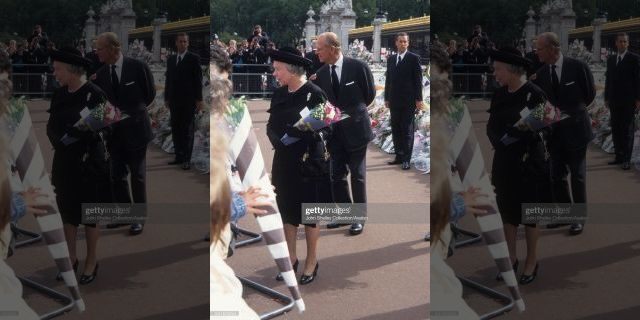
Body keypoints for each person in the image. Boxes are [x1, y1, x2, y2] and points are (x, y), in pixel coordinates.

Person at [46, 46, 112, 285]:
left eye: (57, 70)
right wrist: (59, 139)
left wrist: (81, 134)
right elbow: (51, 124)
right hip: (64, 161)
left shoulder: (95, 94)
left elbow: (108, 124)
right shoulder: (59, 94)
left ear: (72, 70)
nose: (55, 74)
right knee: (68, 213)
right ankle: (71, 258)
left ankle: (91, 260)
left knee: (90, 215)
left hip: (89, 162)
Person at [487, 46, 552, 284]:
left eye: (498, 70)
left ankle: (531, 260)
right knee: (508, 212)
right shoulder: (499, 94)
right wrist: (500, 140)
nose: (495, 74)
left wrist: (519, 134)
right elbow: (491, 125)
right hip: (505, 160)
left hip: (528, 161)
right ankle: (511, 258)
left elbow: (546, 124)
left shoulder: (535, 94)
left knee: (529, 213)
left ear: (512, 70)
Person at [266, 47, 331, 284]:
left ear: (291, 70)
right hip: (284, 161)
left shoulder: (315, 94)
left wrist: (304, 133)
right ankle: (290, 259)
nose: (274, 74)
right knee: (287, 212)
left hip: (308, 162)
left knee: (310, 214)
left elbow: (328, 126)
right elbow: (271, 124)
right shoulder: (279, 94)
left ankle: (311, 261)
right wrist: (277, 140)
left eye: (278, 69)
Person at [312, 32, 375, 236]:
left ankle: (359, 218)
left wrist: (352, 114)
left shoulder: (358, 67)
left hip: (357, 130)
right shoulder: (320, 74)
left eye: (320, 48)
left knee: (357, 175)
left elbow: (369, 95)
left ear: (332, 48)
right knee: (336, 175)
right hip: (335, 133)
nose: (316, 51)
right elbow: (323, 105)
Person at [532, 32, 595, 235]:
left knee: (577, 175)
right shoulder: (541, 74)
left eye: (540, 48)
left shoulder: (578, 67)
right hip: (555, 133)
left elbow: (589, 94)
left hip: (577, 130)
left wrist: (573, 112)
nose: (536, 52)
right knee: (556, 175)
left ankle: (578, 218)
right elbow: (543, 105)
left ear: (553, 48)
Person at [93, 32, 155, 235]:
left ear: (113, 48)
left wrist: (133, 112)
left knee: (137, 176)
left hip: (137, 130)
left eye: (100, 48)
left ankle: (138, 218)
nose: (97, 52)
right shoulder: (101, 74)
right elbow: (103, 105)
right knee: (116, 175)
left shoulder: (138, 67)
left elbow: (149, 94)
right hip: (114, 133)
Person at [385, 32, 424, 170]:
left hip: (409, 100)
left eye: (405, 42)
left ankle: (406, 159)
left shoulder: (414, 58)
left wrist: (419, 99)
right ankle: (399, 156)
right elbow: (388, 80)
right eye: (400, 41)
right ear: (396, 42)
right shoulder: (391, 59)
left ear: (408, 43)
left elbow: (418, 81)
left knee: (407, 130)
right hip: (394, 100)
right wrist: (386, 98)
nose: (403, 44)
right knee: (395, 129)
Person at [165, 32, 203, 170]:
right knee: (176, 128)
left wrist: (199, 100)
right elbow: (168, 80)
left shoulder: (194, 58)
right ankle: (178, 156)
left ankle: (187, 159)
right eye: (180, 41)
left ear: (188, 43)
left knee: (187, 129)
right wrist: (166, 98)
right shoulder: (171, 59)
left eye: (185, 42)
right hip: (174, 100)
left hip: (188, 100)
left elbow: (198, 81)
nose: (182, 44)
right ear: (176, 43)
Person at [604, 33, 640, 170]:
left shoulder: (634, 59)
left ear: (628, 43)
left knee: (627, 130)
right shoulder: (611, 59)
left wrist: (638, 99)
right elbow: (608, 80)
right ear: (616, 43)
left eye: (625, 42)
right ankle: (618, 156)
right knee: (616, 128)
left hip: (628, 101)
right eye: (620, 41)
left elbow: (638, 80)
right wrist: (606, 97)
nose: (623, 44)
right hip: (614, 100)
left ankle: (626, 159)